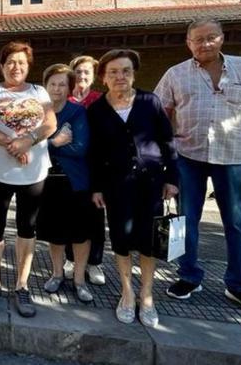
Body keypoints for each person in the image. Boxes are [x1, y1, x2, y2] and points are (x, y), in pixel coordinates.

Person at [155, 18, 241, 321]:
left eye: (211, 37)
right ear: (188, 43)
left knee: (236, 222)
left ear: (222, 38)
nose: (205, 44)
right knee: (185, 219)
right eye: (198, 39)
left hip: (235, 157)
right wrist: (163, 155)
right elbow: (161, 115)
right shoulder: (175, 74)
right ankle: (188, 275)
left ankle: (240, 285)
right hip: (189, 156)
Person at [88, 49, 178, 328]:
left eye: (126, 71)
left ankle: (147, 295)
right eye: (113, 72)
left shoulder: (149, 101)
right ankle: (127, 293)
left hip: (151, 184)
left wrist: (172, 179)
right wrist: (97, 188)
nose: (120, 77)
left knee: (149, 242)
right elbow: (94, 153)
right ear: (103, 77)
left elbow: (168, 141)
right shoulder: (97, 110)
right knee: (122, 239)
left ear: (133, 74)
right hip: (116, 186)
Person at [0, 41, 57, 318]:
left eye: (21, 62)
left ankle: (22, 286)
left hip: (33, 174)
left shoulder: (39, 91)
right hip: (0, 172)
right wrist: (13, 142)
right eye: (10, 62)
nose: (16, 67)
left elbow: (50, 123)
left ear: (28, 65)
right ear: (1, 65)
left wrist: (29, 141)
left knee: (27, 228)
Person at [37, 64, 94, 303]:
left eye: (62, 84)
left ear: (69, 87)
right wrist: (55, 142)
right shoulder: (38, 112)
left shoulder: (77, 112)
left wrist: (45, 144)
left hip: (76, 181)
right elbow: (28, 146)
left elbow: (80, 148)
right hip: (47, 181)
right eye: (53, 83)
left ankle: (79, 279)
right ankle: (57, 273)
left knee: (80, 234)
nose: (57, 88)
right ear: (45, 86)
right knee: (55, 233)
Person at [65, 55, 107, 286]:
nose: (82, 76)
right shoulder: (65, 99)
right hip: (70, 168)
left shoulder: (100, 100)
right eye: (79, 72)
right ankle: (71, 259)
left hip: (94, 168)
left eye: (87, 73)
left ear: (93, 76)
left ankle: (95, 262)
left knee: (95, 216)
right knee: (72, 215)